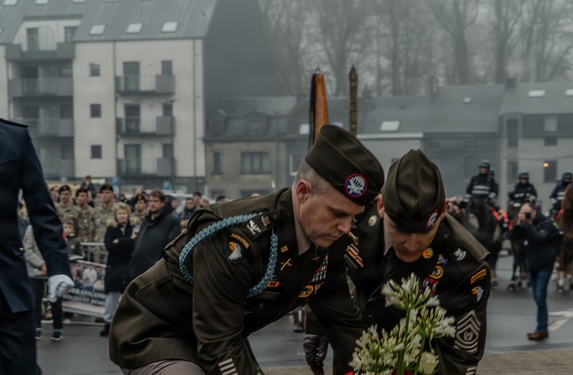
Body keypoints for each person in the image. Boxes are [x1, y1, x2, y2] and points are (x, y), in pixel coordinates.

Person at [109, 124, 385, 374]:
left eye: (353, 217)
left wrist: (378, 369)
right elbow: (219, 349)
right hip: (159, 333)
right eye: (337, 213)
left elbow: (343, 323)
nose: (346, 227)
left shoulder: (329, 239)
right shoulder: (239, 237)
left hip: (215, 338)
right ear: (302, 192)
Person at [320, 149, 491, 375]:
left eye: (424, 234)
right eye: (399, 231)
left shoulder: (466, 266)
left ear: (442, 214)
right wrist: (317, 324)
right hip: (356, 353)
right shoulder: (353, 221)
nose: (411, 245)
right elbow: (329, 270)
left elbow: (461, 358)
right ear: (380, 207)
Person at [0, 118, 74, 374]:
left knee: (20, 368)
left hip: (6, 285)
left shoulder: (13, 137)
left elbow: (41, 209)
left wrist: (58, 267)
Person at [508, 202, 559, 341]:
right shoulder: (524, 224)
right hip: (533, 266)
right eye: (522, 212)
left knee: (540, 297)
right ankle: (542, 329)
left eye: (526, 212)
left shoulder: (545, 223)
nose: (524, 215)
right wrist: (519, 224)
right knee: (538, 298)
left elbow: (539, 239)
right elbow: (512, 237)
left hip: (545, 266)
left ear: (534, 212)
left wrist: (529, 223)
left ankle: (541, 329)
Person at [101, 202, 138, 337]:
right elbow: (110, 246)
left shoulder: (134, 227)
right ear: (115, 216)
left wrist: (120, 241)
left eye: (124, 213)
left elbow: (136, 244)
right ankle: (108, 323)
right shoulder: (111, 229)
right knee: (111, 296)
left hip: (128, 265)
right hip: (114, 266)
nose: (122, 216)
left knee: (128, 296)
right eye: (119, 213)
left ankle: (128, 324)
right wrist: (128, 240)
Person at [128, 189, 181, 281]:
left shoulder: (171, 220)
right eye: (150, 201)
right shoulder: (147, 220)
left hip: (155, 271)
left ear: (163, 202)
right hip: (138, 270)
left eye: (155, 201)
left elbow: (172, 247)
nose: (152, 204)